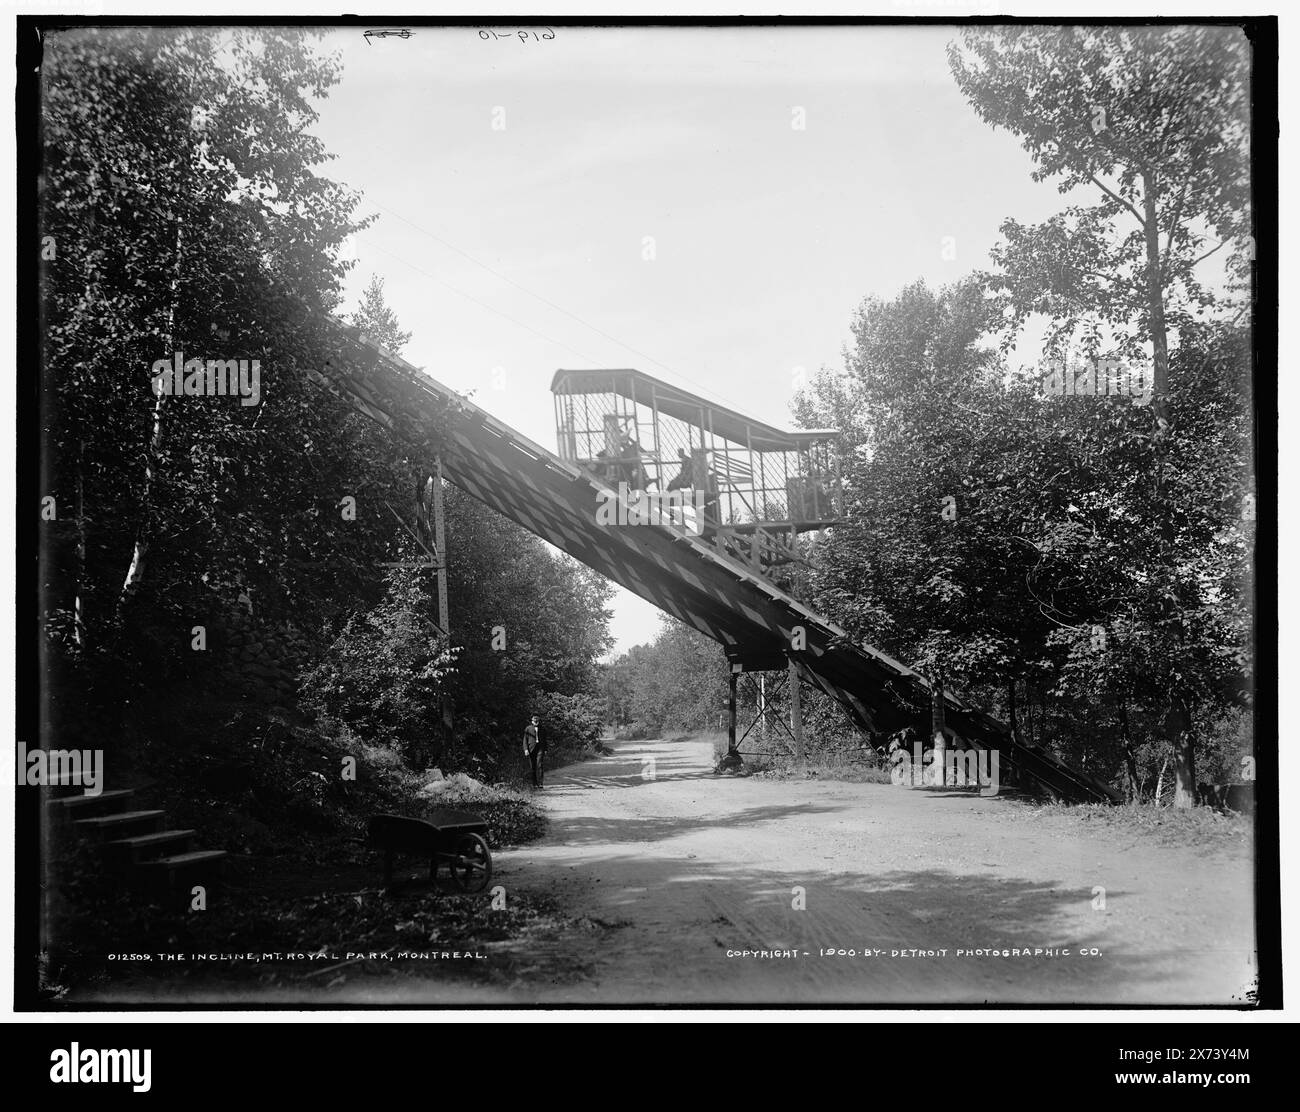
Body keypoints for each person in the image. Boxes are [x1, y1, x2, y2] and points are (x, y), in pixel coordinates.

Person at [523, 714, 546, 788]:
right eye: (534, 721)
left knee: (540, 765)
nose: (536, 722)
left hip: (540, 748)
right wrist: (526, 749)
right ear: (532, 721)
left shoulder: (542, 729)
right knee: (532, 766)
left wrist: (545, 749)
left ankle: (540, 783)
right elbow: (525, 740)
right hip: (531, 749)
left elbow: (545, 740)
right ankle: (534, 783)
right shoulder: (528, 728)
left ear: (539, 721)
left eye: (537, 721)